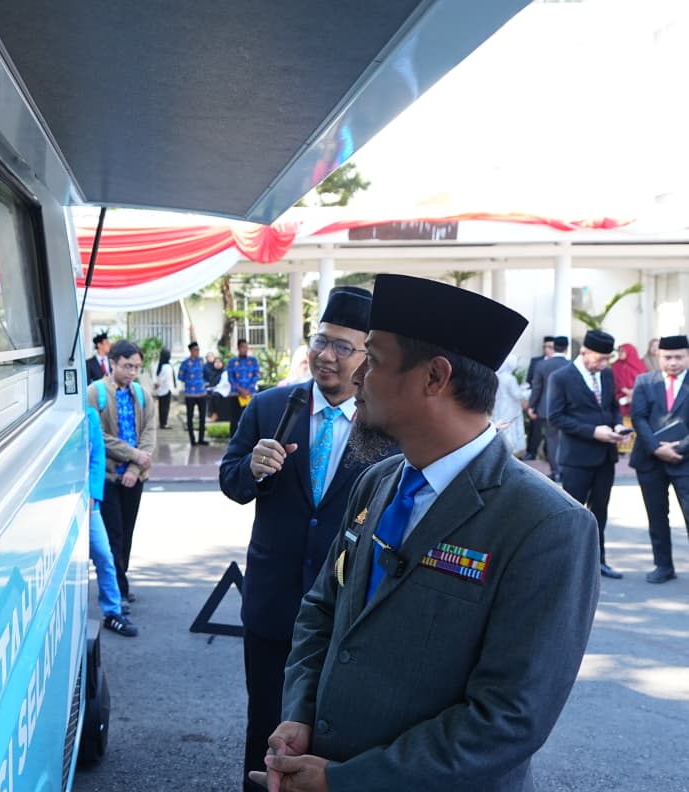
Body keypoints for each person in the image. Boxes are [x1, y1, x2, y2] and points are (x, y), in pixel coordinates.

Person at [260, 274, 599, 792]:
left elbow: (507, 719)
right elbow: (323, 609)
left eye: (373, 359)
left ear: (435, 377)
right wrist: (300, 713)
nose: (356, 376)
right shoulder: (378, 482)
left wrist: (350, 781)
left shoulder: (547, 524)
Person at [220, 286, 390, 792]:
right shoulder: (271, 405)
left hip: (346, 608)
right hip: (273, 603)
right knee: (266, 726)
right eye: (320, 341)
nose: (326, 356)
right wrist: (252, 469)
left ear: (367, 358)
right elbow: (232, 480)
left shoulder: (384, 422)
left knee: (335, 735)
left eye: (343, 347)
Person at [548, 329, 627, 579]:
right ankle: (566, 565)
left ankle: (597, 562)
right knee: (572, 513)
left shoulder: (607, 374)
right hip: (576, 458)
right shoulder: (561, 377)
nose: (603, 364)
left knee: (600, 511)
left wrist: (617, 426)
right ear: (584, 352)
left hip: (605, 456)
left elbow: (613, 407)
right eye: (599, 359)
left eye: (607, 359)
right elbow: (555, 417)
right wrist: (593, 432)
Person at [87, 340, 157, 605]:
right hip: (107, 477)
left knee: (126, 534)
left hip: (134, 477)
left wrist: (135, 468)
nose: (132, 372)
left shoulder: (142, 394)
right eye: (127, 366)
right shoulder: (95, 393)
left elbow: (149, 434)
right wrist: (132, 455)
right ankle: (118, 592)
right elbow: (97, 436)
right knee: (112, 536)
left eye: (137, 367)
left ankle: (120, 583)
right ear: (112, 363)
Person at [629, 334, 689, 584]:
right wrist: (656, 448)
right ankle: (663, 566)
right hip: (650, 461)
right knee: (656, 515)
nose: (673, 362)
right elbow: (638, 417)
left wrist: (681, 447)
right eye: (668, 357)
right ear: (658, 355)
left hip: (685, 460)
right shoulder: (644, 381)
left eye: (679, 357)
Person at [86, 405, 138, 636]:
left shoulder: (89, 415)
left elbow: (97, 458)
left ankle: (113, 612)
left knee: (104, 556)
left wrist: (92, 495)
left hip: (89, 506)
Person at [529, 335, 571, 480]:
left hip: (547, 408)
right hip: (568, 408)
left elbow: (537, 388)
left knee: (552, 439)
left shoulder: (542, 365)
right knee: (567, 439)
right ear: (566, 348)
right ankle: (566, 469)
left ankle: (556, 471)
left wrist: (532, 406)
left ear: (554, 348)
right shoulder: (571, 365)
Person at [522, 336, 555, 460]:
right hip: (538, 401)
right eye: (545, 346)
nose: (547, 349)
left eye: (550, 347)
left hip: (553, 402)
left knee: (552, 432)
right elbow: (530, 380)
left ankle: (548, 454)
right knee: (535, 429)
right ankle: (531, 453)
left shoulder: (558, 362)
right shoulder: (536, 361)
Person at [492, 353, 527, 455]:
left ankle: (500, 448)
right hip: (510, 406)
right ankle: (511, 449)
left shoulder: (497, 376)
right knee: (510, 426)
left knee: (501, 425)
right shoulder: (510, 378)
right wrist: (526, 393)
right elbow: (517, 394)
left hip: (499, 405)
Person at [178, 342, 209, 446]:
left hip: (202, 393)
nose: (197, 352)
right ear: (191, 351)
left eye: (198, 350)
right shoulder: (185, 363)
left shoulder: (201, 361)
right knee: (190, 417)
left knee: (202, 417)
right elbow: (180, 376)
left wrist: (203, 383)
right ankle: (192, 440)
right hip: (190, 394)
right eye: (195, 350)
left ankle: (201, 439)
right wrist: (189, 381)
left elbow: (205, 373)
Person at [228, 340, 261, 437]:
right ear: (238, 348)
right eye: (243, 347)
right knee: (234, 418)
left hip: (249, 394)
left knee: (250, 418)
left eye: (246, 347)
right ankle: (233, 439)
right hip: (236, 394)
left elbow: (256, 375)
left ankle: (249, 439)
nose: (245, 349)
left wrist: (248, 390)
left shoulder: (253, 361)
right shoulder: (232, 362)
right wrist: (240, 389)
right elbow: (230, 377)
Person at [153, 347, 176, 429]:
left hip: (160, 389)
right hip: (166, 388)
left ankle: (162, 422)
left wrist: (157, 383)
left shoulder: (159, 364)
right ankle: (164, 423)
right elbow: (167, 378)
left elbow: (155, 375)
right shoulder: (167, 366)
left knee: (161, 406)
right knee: (165, 407)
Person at [205, 352, 227, 422]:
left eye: (219, 362)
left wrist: (215, 388)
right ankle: (209, 414)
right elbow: (210, 382)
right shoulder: (212, 372)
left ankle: (215, 414)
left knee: (215, 395)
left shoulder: (224, 372)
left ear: (222, 363)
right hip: (213, 389)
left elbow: (224, 383)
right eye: (216, 362)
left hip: (223, 390)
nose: (217, 364)